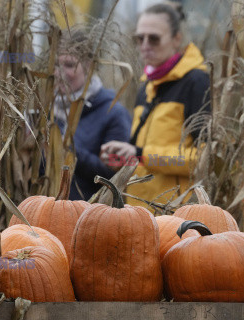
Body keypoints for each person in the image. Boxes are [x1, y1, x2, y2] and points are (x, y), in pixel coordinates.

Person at [100, 2, 211, 209]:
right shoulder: (146, 84)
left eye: (154, 38)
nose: (145, 45)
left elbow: (202, 161)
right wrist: (123, 157)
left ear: (176, 39)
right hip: (138, 209)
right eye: (139, 38)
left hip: (175, 213)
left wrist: (141, 154)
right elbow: (140, 153)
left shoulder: (196, 81)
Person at [54, 28, 132, 200]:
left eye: (68, 65)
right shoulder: (44, 108)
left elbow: (113, 176)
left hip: (86, 216)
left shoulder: (113, 113)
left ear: (89, 66)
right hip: (38, 212)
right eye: (55, 65)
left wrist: (65, 147)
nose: (59, 73)